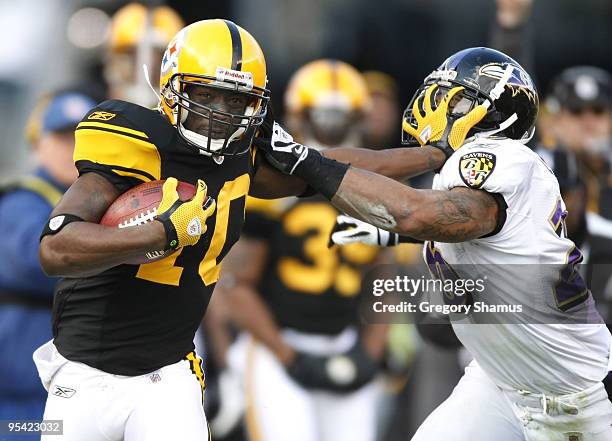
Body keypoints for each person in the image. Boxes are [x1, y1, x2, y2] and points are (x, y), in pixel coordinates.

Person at [35, 19, 459, 441]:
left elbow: (339, 167)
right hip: (83, 374)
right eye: (205, 95)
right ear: (172, 86)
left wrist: (429, 157)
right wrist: (155, 235)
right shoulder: (134, 144)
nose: (219, 115)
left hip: (166, 376)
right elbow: (56, 250)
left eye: (235, 101)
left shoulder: (241, 162)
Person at [255, 46, 612, 440]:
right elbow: (382, 166)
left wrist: (308, 164)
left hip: (567, 399)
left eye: (453, 98)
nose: (436, 106)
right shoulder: (465, 165)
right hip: (497, 381)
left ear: (490, 112)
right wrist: (302, 158)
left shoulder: (504, 158)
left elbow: (423, 214)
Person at [217, 59, 388, 441]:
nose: (331, 131)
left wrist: (370, 353)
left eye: (340, 120)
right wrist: (287, 356)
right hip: (277, 345)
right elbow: (235, 285)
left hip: (343, 341)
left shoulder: (370, 187)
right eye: (324, 119)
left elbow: (384, 278)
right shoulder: (273, 190)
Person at [0, 91, 95, 430]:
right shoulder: (22, 200)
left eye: (81, 137)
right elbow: (38, 259)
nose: (72, 147)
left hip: (70, 381)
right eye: (61, 136)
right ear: (38, 143)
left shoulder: (95, 202)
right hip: (21, 384)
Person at [105, 2, 184, 106]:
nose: (145, 62)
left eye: (158, 55)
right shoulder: (128, 17)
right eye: (130, 54)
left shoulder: (167, 20)